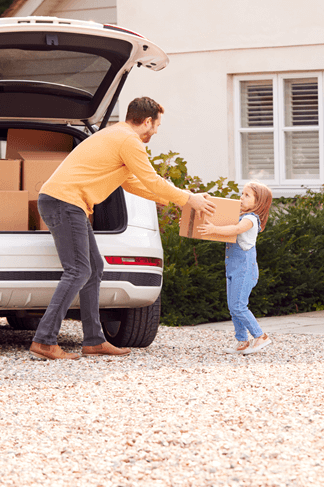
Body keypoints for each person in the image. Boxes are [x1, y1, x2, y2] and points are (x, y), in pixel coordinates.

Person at [29, 97, 216, 360]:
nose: (156, 131)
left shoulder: (115, 135)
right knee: (79, 270)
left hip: (68, 202)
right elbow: (150, 179)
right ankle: (44, 341)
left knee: (93, 268)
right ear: (147, 121)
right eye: (157, 125)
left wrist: (177, 201)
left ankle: (94, 340)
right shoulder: (129, 140)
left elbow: (131, 183)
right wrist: (188, 198)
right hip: (65, 202)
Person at [198, 182, 273, 355]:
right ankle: (242, 341)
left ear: (259, 202)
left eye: (247, 195)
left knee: (239, 306)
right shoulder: (240, 215)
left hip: (245, 269)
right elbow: (220, 220)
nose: (242, 197)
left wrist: (214, 228)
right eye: (242, 194)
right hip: (233, 268)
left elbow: (235, 229)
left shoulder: (251, 219)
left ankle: (260, 336)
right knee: (233, 307)